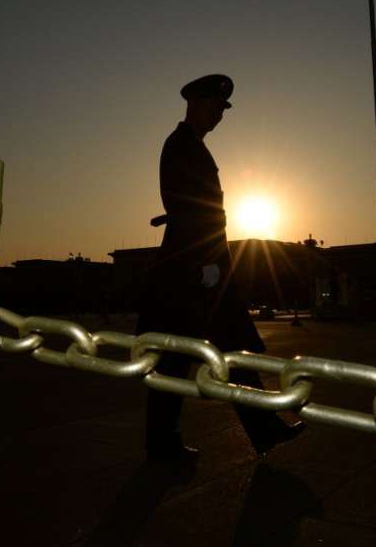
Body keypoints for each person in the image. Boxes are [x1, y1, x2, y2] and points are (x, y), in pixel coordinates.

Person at [137, 74, 304, 464]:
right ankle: (163, 447)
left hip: (205, 270)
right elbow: (185, 207)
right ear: (195, 104)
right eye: (215, 107)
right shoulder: (180, 145)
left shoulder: (193, 147)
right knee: (174, 361)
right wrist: (204, 265)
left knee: (232, 354)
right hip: (191, 273)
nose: (219, 116)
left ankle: (263, 429)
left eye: (222, 110)